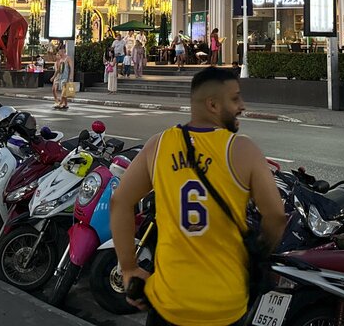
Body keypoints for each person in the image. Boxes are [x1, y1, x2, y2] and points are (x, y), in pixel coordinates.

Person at [110, 66, 286, 326]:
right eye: (235, 98)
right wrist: (256, 255)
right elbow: (276, 217)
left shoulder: (158, 145)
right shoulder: (242, 149)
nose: (242, 106)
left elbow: (120, 201)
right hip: (226, 304)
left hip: (169, 302)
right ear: (213, 105)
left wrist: (128, 267)